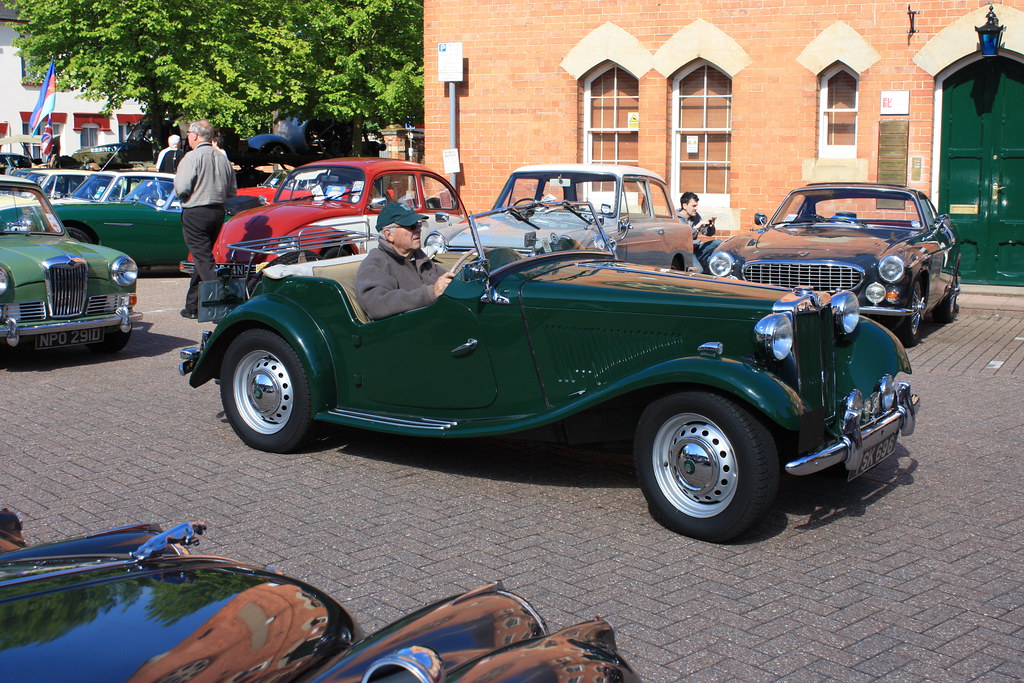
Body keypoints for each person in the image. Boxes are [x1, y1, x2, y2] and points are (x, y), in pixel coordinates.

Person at [174, 120, 237, 319]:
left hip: (196, 211)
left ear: (194, 135)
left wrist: (186, 196)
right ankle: (192, 305)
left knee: (203, 259)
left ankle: (222, 301)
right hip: (217, 211)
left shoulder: (192, 157)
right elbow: (232, 191)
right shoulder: (222, 158)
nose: (188, 138)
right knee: (202, 258)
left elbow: (181, 187)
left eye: (189, 135)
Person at [355, 203, 454, 320]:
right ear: (389, 235)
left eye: (418, 224)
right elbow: (376, 305)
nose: (418, 229)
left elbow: (446, 281)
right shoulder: (376, 263)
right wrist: (431, 292)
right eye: (411, 226)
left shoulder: (418, 256)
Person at [678, 191, 722, 273]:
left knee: (718, 243)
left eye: (696, 205)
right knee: (699, 271)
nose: (696, 208)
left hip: (696, 248)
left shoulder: (695, 216)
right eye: (693, 206)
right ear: (684, 206)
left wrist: (711, 226)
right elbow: (684, 237)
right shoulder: (676, 218)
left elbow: (708, 233)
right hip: (685, 252)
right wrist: (697, 226)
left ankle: (711, 265)